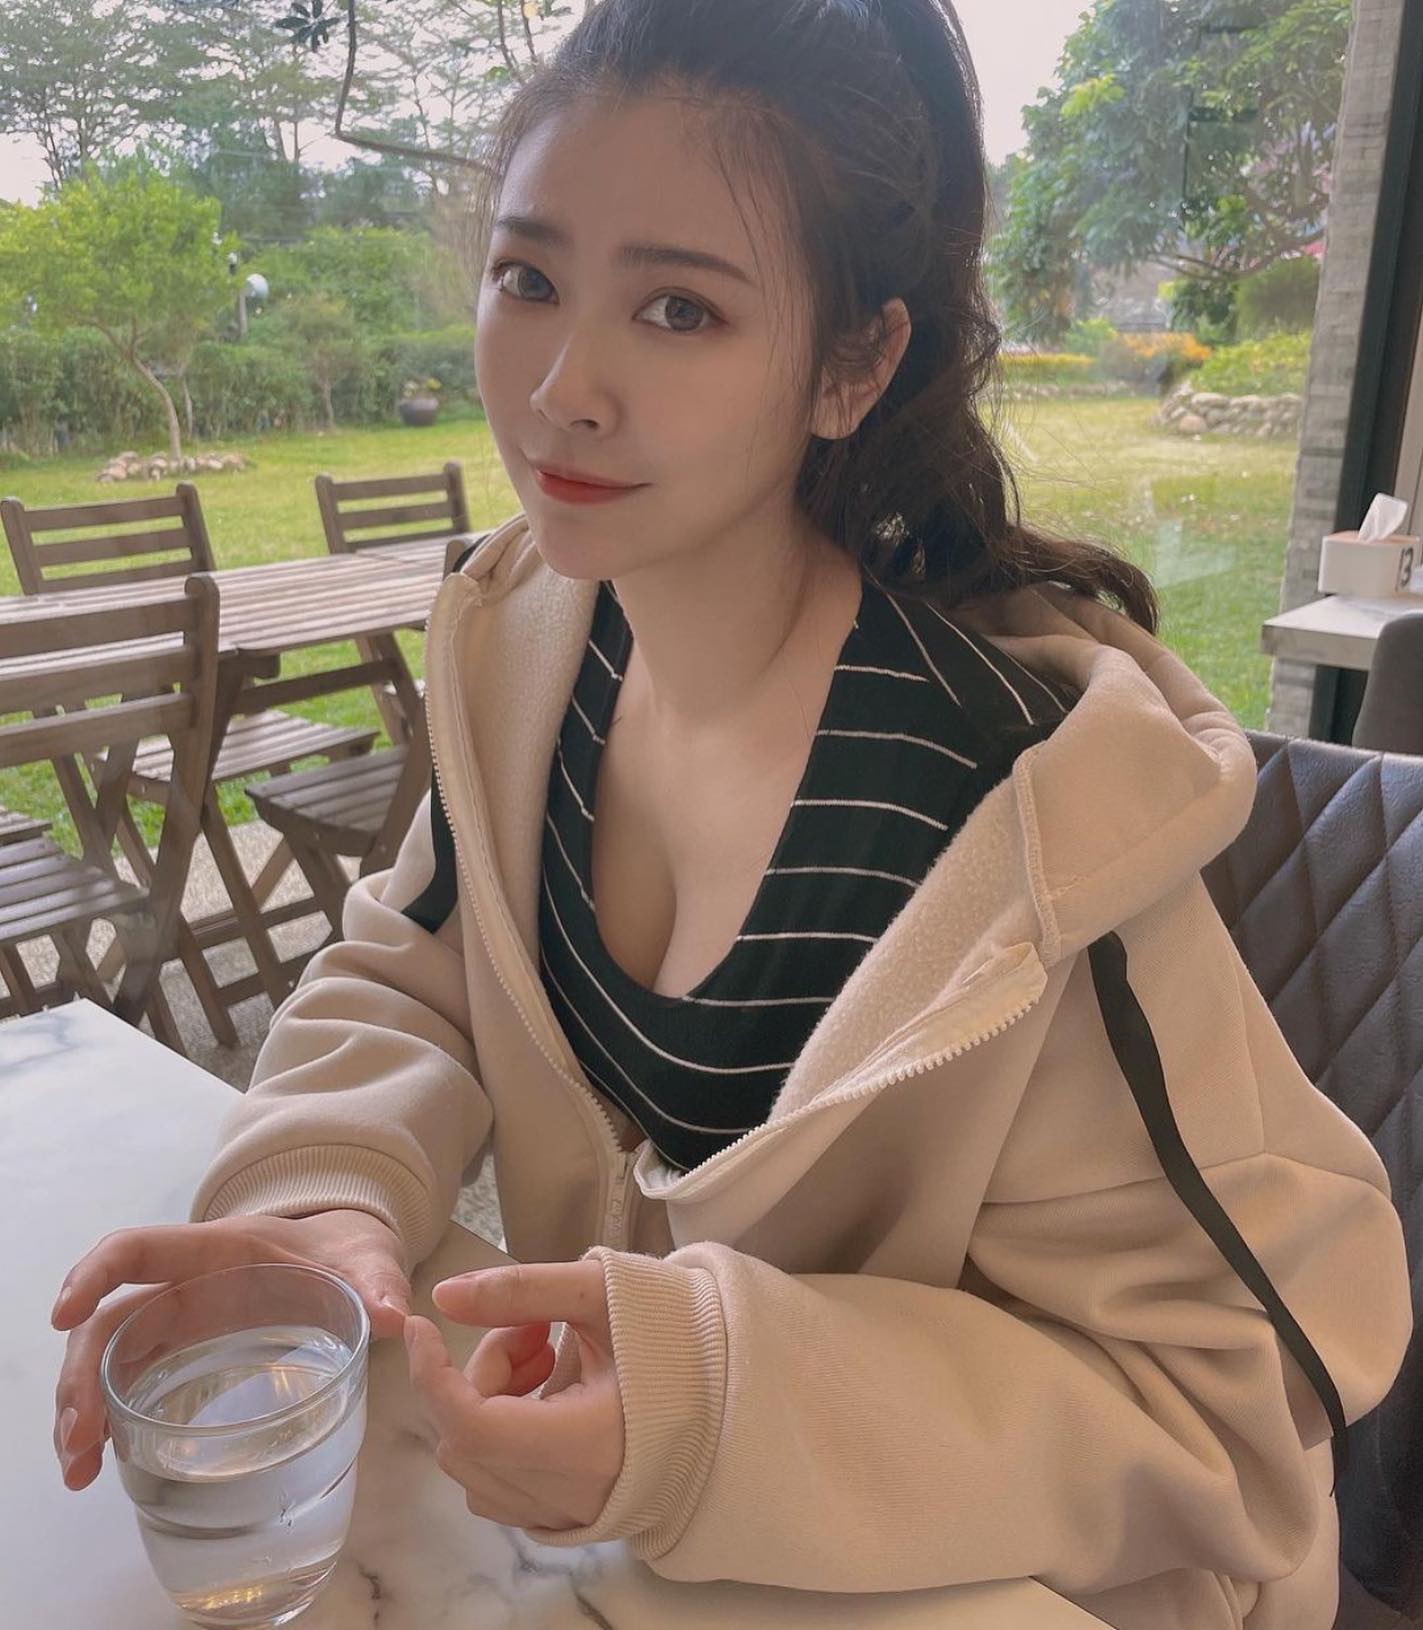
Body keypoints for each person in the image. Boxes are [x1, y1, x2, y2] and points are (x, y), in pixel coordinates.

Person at [51, 0, 1410, 1624]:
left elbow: (1231, 1417)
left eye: (680, 308)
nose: (563, 387)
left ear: (854, 365)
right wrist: (324, 1199)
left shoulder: (1005, 818)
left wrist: (709, 1401)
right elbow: (418, 968)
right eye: (528, 278)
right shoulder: (524, 643)